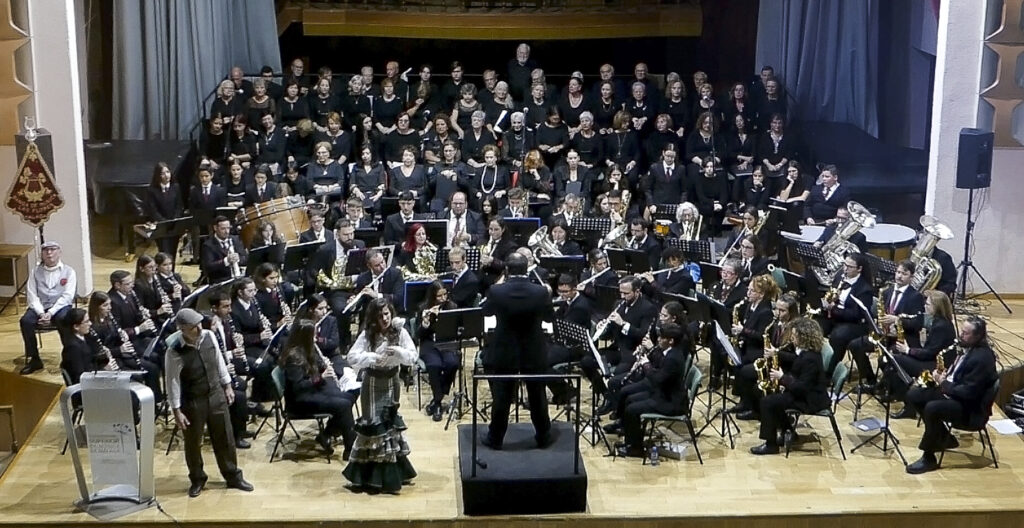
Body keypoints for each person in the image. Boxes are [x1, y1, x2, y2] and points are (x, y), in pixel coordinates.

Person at [165, 308, 254, 497]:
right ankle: (197, 479)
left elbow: (219, 361)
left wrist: (227, 385)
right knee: (193, 442)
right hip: (193, 400)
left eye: (199, 324)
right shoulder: (174, 351)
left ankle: (233, 476)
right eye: (193, 327)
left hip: (215, 395)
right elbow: (172, 381)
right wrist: (176, 410)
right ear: (182, 329)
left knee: (225, 437)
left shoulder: (208, 336)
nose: (199, 329)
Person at [904, 316, 998, 474]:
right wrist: (945, 375)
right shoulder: (969, 349)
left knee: (933, 408)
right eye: (961, 331)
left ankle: (929, 458)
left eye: (965, 333)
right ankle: (943, 437)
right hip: (957, 396)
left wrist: (944, 383)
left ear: (978, 336)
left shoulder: (982, 359)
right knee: (915, 395)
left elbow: (969, 392)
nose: (960, 335)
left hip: (971, 409)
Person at [342, 298, 418, 493]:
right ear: (374, 318)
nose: (385, 318)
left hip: (392, 382)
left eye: (387, 314)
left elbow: (412, 357)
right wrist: (373, 357)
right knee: (373, 425)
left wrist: (399, 352)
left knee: (390, 426)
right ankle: (370, 477)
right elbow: (351, 358)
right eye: (380, 315)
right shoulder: (368, 335)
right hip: (372, 384)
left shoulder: (400, 332)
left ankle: (392, 474)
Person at [480, 253, 555, 450]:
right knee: (537, 396)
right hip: (534, 351)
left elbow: (486, 312)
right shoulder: (541, 292)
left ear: (507, 270)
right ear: (526, 268)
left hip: (505, 352)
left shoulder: (496, 291)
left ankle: (495, 439)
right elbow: (549, 318)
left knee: (502, 397)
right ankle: (544, 437)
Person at [749, 317, 830, 455]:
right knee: (765, 394)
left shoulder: (810, 358)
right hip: (804, 394)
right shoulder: (806, 353)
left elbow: (802, 388)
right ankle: (788, 430)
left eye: (794, 336)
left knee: (768, 402)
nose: (792, 339)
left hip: (811, 400)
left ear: (804, 337)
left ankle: (771, 445)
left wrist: (783, 379)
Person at [279, 319, 357, 459]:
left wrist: (323, 366)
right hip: (300, 401)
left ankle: (325, 434)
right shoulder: (293, 357)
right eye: (313, 335)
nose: (316, 338)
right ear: (305, 336)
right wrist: (320, 377)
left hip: (311, 392)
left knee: (349, 397)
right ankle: (350, 449)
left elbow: (315, 367)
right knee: (343, 405)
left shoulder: (308, 348)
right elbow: (299, 386)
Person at [612, 323, 691, 458]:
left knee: (632, 409)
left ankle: (635, 449)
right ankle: (631, 441)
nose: (658, 340)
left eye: (662, 338)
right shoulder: (670, 352)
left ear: (670, 341)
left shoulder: (673, 357)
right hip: (664, 394)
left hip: (671, 402)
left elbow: (658, 379)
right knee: (630, 399)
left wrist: (646, 365)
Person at [889, 290, 957, 420]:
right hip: (931, 359)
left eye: (928, 304)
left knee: (897, 359)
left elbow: (929, 353)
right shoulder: (937, 321)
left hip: (936, 366)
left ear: (936, 307)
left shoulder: (941, 326)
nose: (925, 306)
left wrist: (908, 350)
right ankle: (904, 396)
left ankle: (909, 402)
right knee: (896, 356)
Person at [20, 241, 76, 374]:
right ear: (42, 254)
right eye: (46, 250)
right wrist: (40, 313)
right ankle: (34, 359)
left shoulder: (69, 271)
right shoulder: (35, 271)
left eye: (52, 249)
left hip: (59, 307)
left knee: (64, 319)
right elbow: (32, 295)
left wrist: (50, 312)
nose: (49, 253)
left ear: (59, 252)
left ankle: (68, 357)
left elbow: (67, 296)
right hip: (40, 306)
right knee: (25, 321)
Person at [417, 281, 460, 421]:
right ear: (432, 297)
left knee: (452, 363)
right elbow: (418, 335)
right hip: (429, 344)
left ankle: (436, 400)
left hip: (446, 343)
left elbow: (457, 328)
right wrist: (426, 322)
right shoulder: (423, 308)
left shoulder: (452, 307)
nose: (443, 299)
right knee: (434, 365)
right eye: (439, 296)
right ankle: (438, 403)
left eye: (444, 295)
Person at [61, 308, 110, 384]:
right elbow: (80, 377)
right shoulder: (72, 347)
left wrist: (104, 357)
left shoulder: (86, 337)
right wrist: (104, 371)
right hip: (88, 388)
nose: (90, 324)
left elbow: (91, 359)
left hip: (94, 380)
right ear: (76, 327)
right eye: (86, 322)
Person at [202, 216, 248, 283]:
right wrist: (226, 261)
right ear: (215, 228)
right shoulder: (208, 245)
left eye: (228, 228)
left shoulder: (236, 239)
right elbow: (209, 267)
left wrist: (238, 259)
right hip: (221, 281)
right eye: (223, 229)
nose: (227, 231)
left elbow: (245, 258)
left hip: (239, 278)